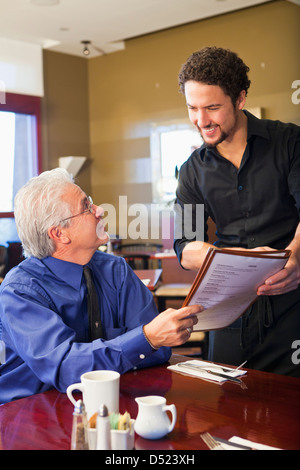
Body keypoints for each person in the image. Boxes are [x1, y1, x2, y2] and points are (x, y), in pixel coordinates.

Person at [0, 168, 201, 404]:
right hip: (28, 413)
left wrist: (146, 340)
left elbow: (159, 349)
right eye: (87, 207)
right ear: (59, 233)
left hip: (104, 405)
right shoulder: (20, 291)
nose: (100, 210)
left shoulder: (116, 271)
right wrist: (143, 339)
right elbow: (65, 367)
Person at [174, 46, 300, 376]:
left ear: (240, 99)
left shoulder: (290, 143)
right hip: (229, 316)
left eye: (212, 107)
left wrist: (295, 256)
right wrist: (231, 260)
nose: (201, 121)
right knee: (227, 410)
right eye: (192, 108)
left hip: (293, 308)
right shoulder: (191, 171)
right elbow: (186, 247)